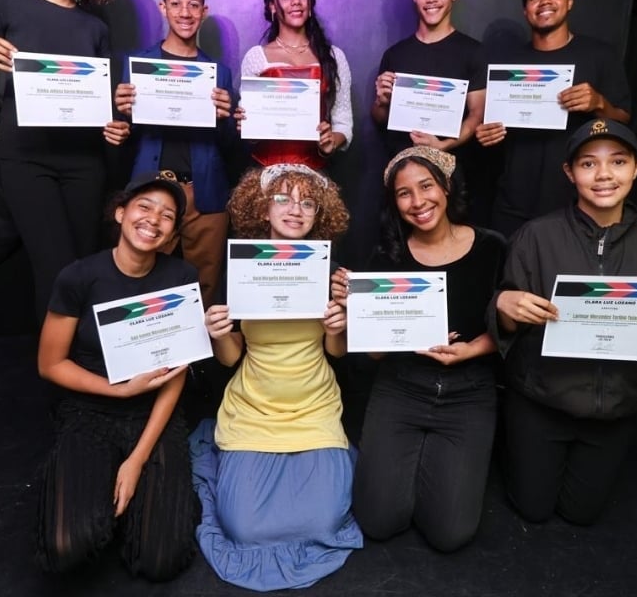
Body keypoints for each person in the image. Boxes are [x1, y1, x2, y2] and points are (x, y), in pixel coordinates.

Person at [491, 118, 637, 525]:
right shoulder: (534, 237)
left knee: (582, 514)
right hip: (542, 400)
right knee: (532, 508)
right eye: (588, 164)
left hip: (615, 408)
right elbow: (508, 328)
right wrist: (504, 308)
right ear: (570, 173)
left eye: (618, 161)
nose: (604, 175)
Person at [191, 163, 362, 591]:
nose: (295, 210)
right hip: (255, 407)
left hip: (314, 406)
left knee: (325, 518)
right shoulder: (243, 266)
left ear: (318, 215)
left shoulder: (330, 270)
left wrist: (337, 329)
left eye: (307, 203)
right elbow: (230, 359)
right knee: (245, 529)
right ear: (263, 208)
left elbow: (335, 354)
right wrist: (218, 334)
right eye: (283, 198)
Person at [336, 146, 507, 552]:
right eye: (404, 193)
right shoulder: (385, 259)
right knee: (378, 521)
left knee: (450, 534)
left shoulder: (493, 248)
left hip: (468, 393)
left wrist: (470, 351)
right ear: (394, 203)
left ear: (446, 187)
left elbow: (509, 328)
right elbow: (370, 356)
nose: (418, 202)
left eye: (426, 186)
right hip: (402, 387)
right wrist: (358, 310)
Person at [0, 0, 130, 322]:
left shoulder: (96, 25)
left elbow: (99, 103)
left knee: (82, 264)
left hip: (84, 162)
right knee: (54, 266)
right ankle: (55, 368)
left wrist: (115, 124)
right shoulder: (2, 5)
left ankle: (83, 359)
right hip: (27, 158)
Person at [36, 170, 200, 580]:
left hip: (154, 417)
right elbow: (50, 364)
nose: (154, 220)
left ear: (172, 232)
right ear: (121, 212)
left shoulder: (181, 278)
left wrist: (137, 460)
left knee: (159, 561)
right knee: (67, 548)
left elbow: (177, 373)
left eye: (166, 216)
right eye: (145, 207)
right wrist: (121, 391)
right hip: (90, 410)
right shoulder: (78, 276)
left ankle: (147, 500)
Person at [114, 0, 241, 309]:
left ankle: (202, 363)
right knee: (148, 282)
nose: (185, 13)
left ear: (204, 10)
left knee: (206, 285)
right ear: (163, 7)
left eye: (194, 4)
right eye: (176, 3)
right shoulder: (136, 66)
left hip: (206, 194)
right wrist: (121, 113)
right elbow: (121, 136)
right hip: (153, 188)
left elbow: (230, 146)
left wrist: (226, 118)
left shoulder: (220, 73)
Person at [478, 0, 633, 239]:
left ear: (570, 1)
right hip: (513, 205)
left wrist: (599, 103)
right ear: (525, 9)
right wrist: (487, 134)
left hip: (575, 203)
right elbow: (491, 128)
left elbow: (624, 121)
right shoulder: (508, 64)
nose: (545, 2)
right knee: (511, 280)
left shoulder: (599, 56)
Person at [370, 0, 492, 223]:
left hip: (452, 178)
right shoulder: (395, 54)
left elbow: (477, 115)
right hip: (403, 180)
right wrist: (381, 102)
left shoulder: (473, 52)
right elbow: (379, 119)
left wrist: (442, 146)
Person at [237, 0, 353, 169]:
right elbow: (250, 137)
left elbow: (343, 120)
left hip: (315, 173)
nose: (296, 2)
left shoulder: (334, 57)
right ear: (272, 5)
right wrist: (246, 126)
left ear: (310, 2)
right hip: (266, 173)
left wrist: (331, 141)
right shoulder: (257, 58)